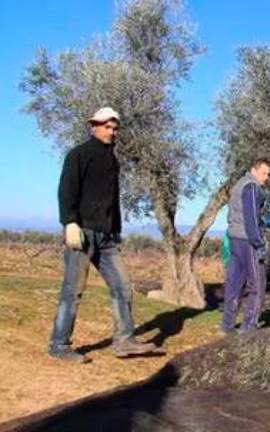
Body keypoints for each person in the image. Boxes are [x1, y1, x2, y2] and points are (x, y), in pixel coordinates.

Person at [49, 107, 159, 363]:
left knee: (122, 286)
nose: (112, 132)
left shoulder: (112, 159)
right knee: (72, 290)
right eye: (107, 126)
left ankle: (123, 341)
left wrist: (116, 229)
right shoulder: (79, 154)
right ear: (94, 126)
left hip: (107, 237)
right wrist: (70, 223)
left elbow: (113, 199)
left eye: (115, 128)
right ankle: (59, 345)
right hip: (82, 232)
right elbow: (66, 191)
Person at [220, 158, 270, 335]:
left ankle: (226, 326)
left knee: (234, 284)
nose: (266, 177)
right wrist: (259, 243)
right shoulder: (251, 187)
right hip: (248, 241)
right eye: (264, 173)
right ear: (254, 170)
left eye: (268, 174)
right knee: (258, 284)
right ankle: (249, 327)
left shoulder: (238, 185)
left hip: (234, 238)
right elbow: (250, 219)